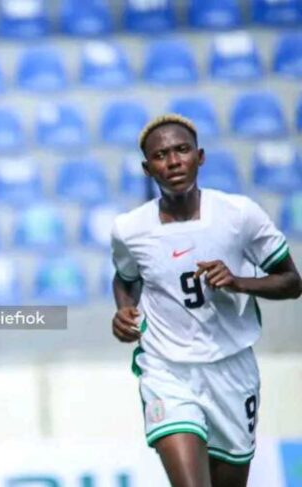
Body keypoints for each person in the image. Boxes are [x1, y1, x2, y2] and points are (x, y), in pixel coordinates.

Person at [110, 114, 301, 487]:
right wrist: (122, 311)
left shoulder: (239, 215)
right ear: (148, 168)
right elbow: (125, 278)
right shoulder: (130, 229)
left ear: (201, 157)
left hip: (232, 369)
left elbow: (293, 282)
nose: (174, 160)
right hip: (168, 371)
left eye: (182, 150)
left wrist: (239, 282)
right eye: (162, 155)